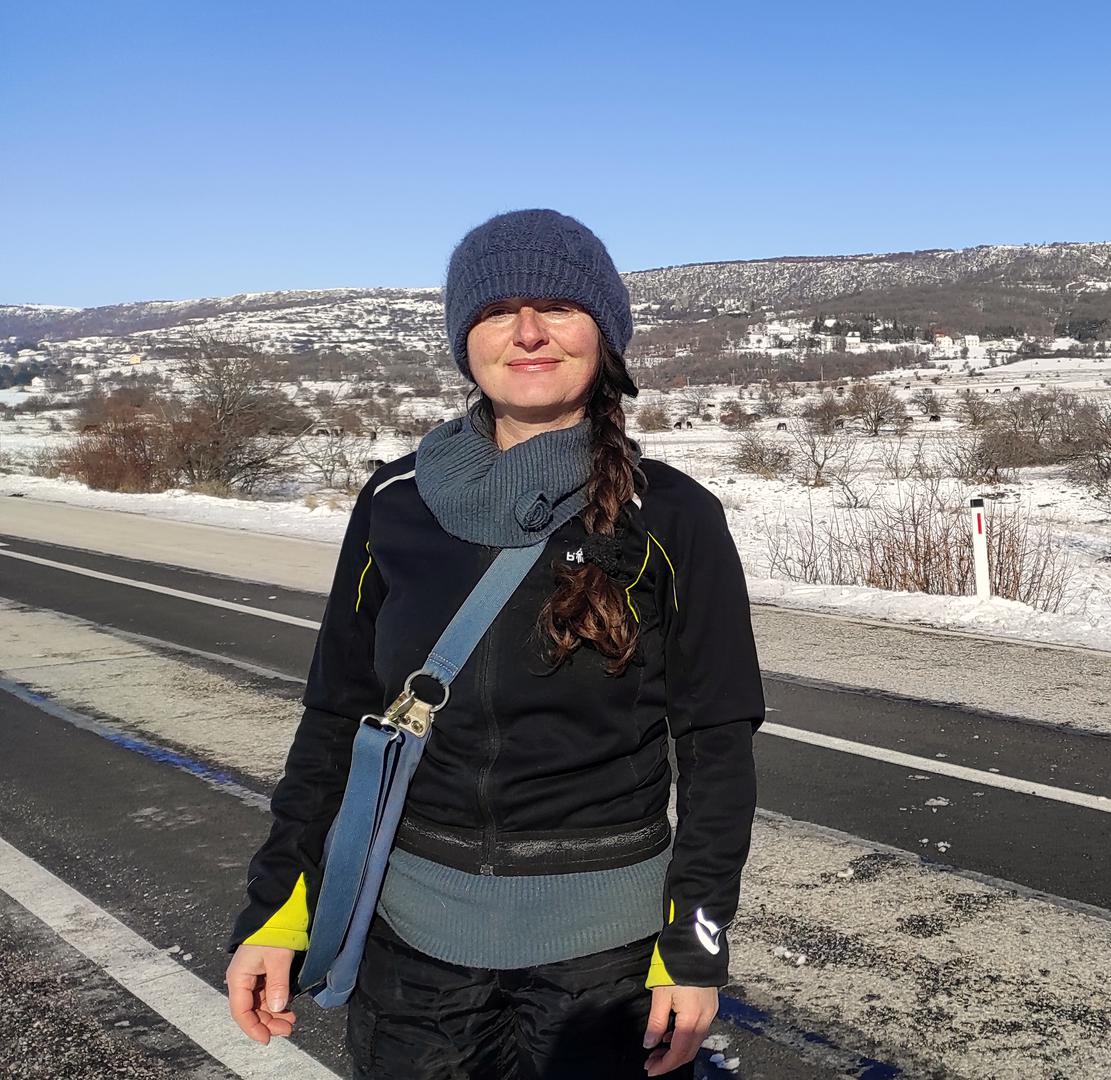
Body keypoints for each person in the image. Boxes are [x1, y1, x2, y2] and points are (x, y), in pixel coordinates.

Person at [224, 208, 765, 1079]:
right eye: (496, 311)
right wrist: (277, 912)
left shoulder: (670, 515)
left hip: (604, 961)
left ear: (603, 335)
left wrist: (694, 945)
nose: (528, 332)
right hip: (412, 955)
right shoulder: (394, 502)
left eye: (557, 306)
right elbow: (336, 717)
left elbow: (716, 742)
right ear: (463, 342)